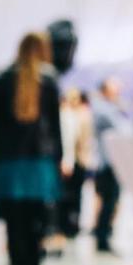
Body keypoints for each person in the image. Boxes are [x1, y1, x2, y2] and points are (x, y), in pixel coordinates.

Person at [0, 32, 62, 265]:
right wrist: (57, 163)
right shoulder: (50, 81)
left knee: (14, 230)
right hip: (40, 167)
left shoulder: (0, 80)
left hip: (9, 167)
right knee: (36, 230)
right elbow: (55, 128)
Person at [90, 77, 132, 253]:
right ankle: (102, 238)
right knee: (108, 201)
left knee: (111, 201)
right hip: (106, 162)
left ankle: (104, 235)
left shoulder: (109, 108)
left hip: (111, 161)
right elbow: (122, 130)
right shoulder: (103, 109)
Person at [56, 87, 93, 243]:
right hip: (72, 161)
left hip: (75, 161)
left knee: (72, 195)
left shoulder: (75, 116)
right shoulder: (69, 116)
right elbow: (69, 142)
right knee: (69, 196)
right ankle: (67, 226)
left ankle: (70, 225)